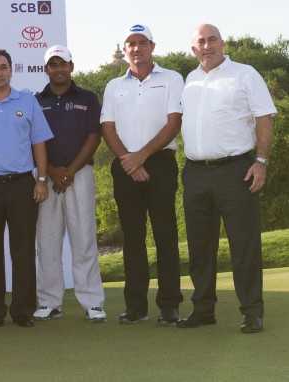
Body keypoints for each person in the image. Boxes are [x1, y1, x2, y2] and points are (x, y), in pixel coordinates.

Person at [177, 24, 276, 334]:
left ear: (223, 43)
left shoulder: (245, 74)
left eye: (212, 40)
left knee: (243, 244)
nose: (207, 46)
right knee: (199, 245)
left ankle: (252, 311)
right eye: (201, 42)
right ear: (193, 49)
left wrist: (261, 161)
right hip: (195, 172)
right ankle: (203, 309)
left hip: (236, 170)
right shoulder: (190, 80)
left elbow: (264, 117)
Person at [100, 24, 184, 326]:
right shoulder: (113, 86)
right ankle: (135, 306)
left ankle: (169, 305)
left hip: (160, 163)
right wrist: (128, 160)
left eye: (142, 43)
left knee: (165, 235)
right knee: (133, 239)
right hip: (125, 166)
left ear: (152, 46)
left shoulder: (172, 78)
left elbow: (173, 123)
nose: (136, 48)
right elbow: (107, 127)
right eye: (130, 44)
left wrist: (141, 157)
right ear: (124, 51)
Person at [0, 48, 53, 328]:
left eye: (3, 67)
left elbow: (39, 142)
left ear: (11, 70)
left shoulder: (27, 102)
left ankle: (23, 310)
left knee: (23, 250)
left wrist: (41, 179)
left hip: (21, 185)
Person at [33, 45, 107, 322]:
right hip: (45, 175)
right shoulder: (36, 101)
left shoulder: (88, 97)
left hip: (80, 174)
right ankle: (50, 302)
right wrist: (52, 171)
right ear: (46, 69)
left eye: (62, 64)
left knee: (84, 238)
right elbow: (34, 141)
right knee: (47, 241)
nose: (58, 69)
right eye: (53, 64)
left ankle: (92, 302)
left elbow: (93, 137)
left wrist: (70, 171)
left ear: (71, 67)